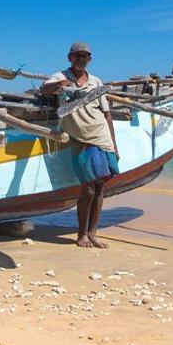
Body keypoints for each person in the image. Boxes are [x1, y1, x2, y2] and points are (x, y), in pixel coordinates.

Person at [40, 42, 119, 249]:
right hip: (80, 140)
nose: (81, 59)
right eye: (77, 56)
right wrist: (60, 86)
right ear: (70, 57)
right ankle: (81, 234)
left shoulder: (96, 81)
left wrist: (115, 144)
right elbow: (44, 88)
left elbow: (107, 114)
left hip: (102, 137)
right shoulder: (61, 76)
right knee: (89, 189)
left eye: (85, 56)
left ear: (90, 59)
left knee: (101, 187)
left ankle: (93, 233)